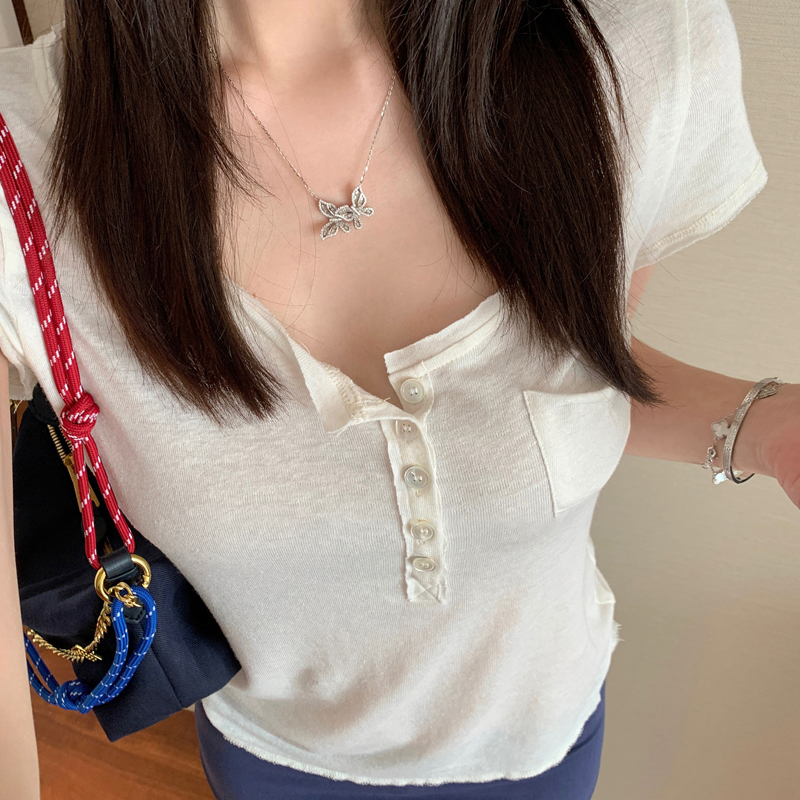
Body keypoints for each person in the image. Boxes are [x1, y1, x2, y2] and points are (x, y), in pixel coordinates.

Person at [0, 1, 797, 798]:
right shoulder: (22, 160)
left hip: (543, 747)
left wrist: (768, 429)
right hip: (277, 765)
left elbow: (574, 384)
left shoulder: (628, 50)